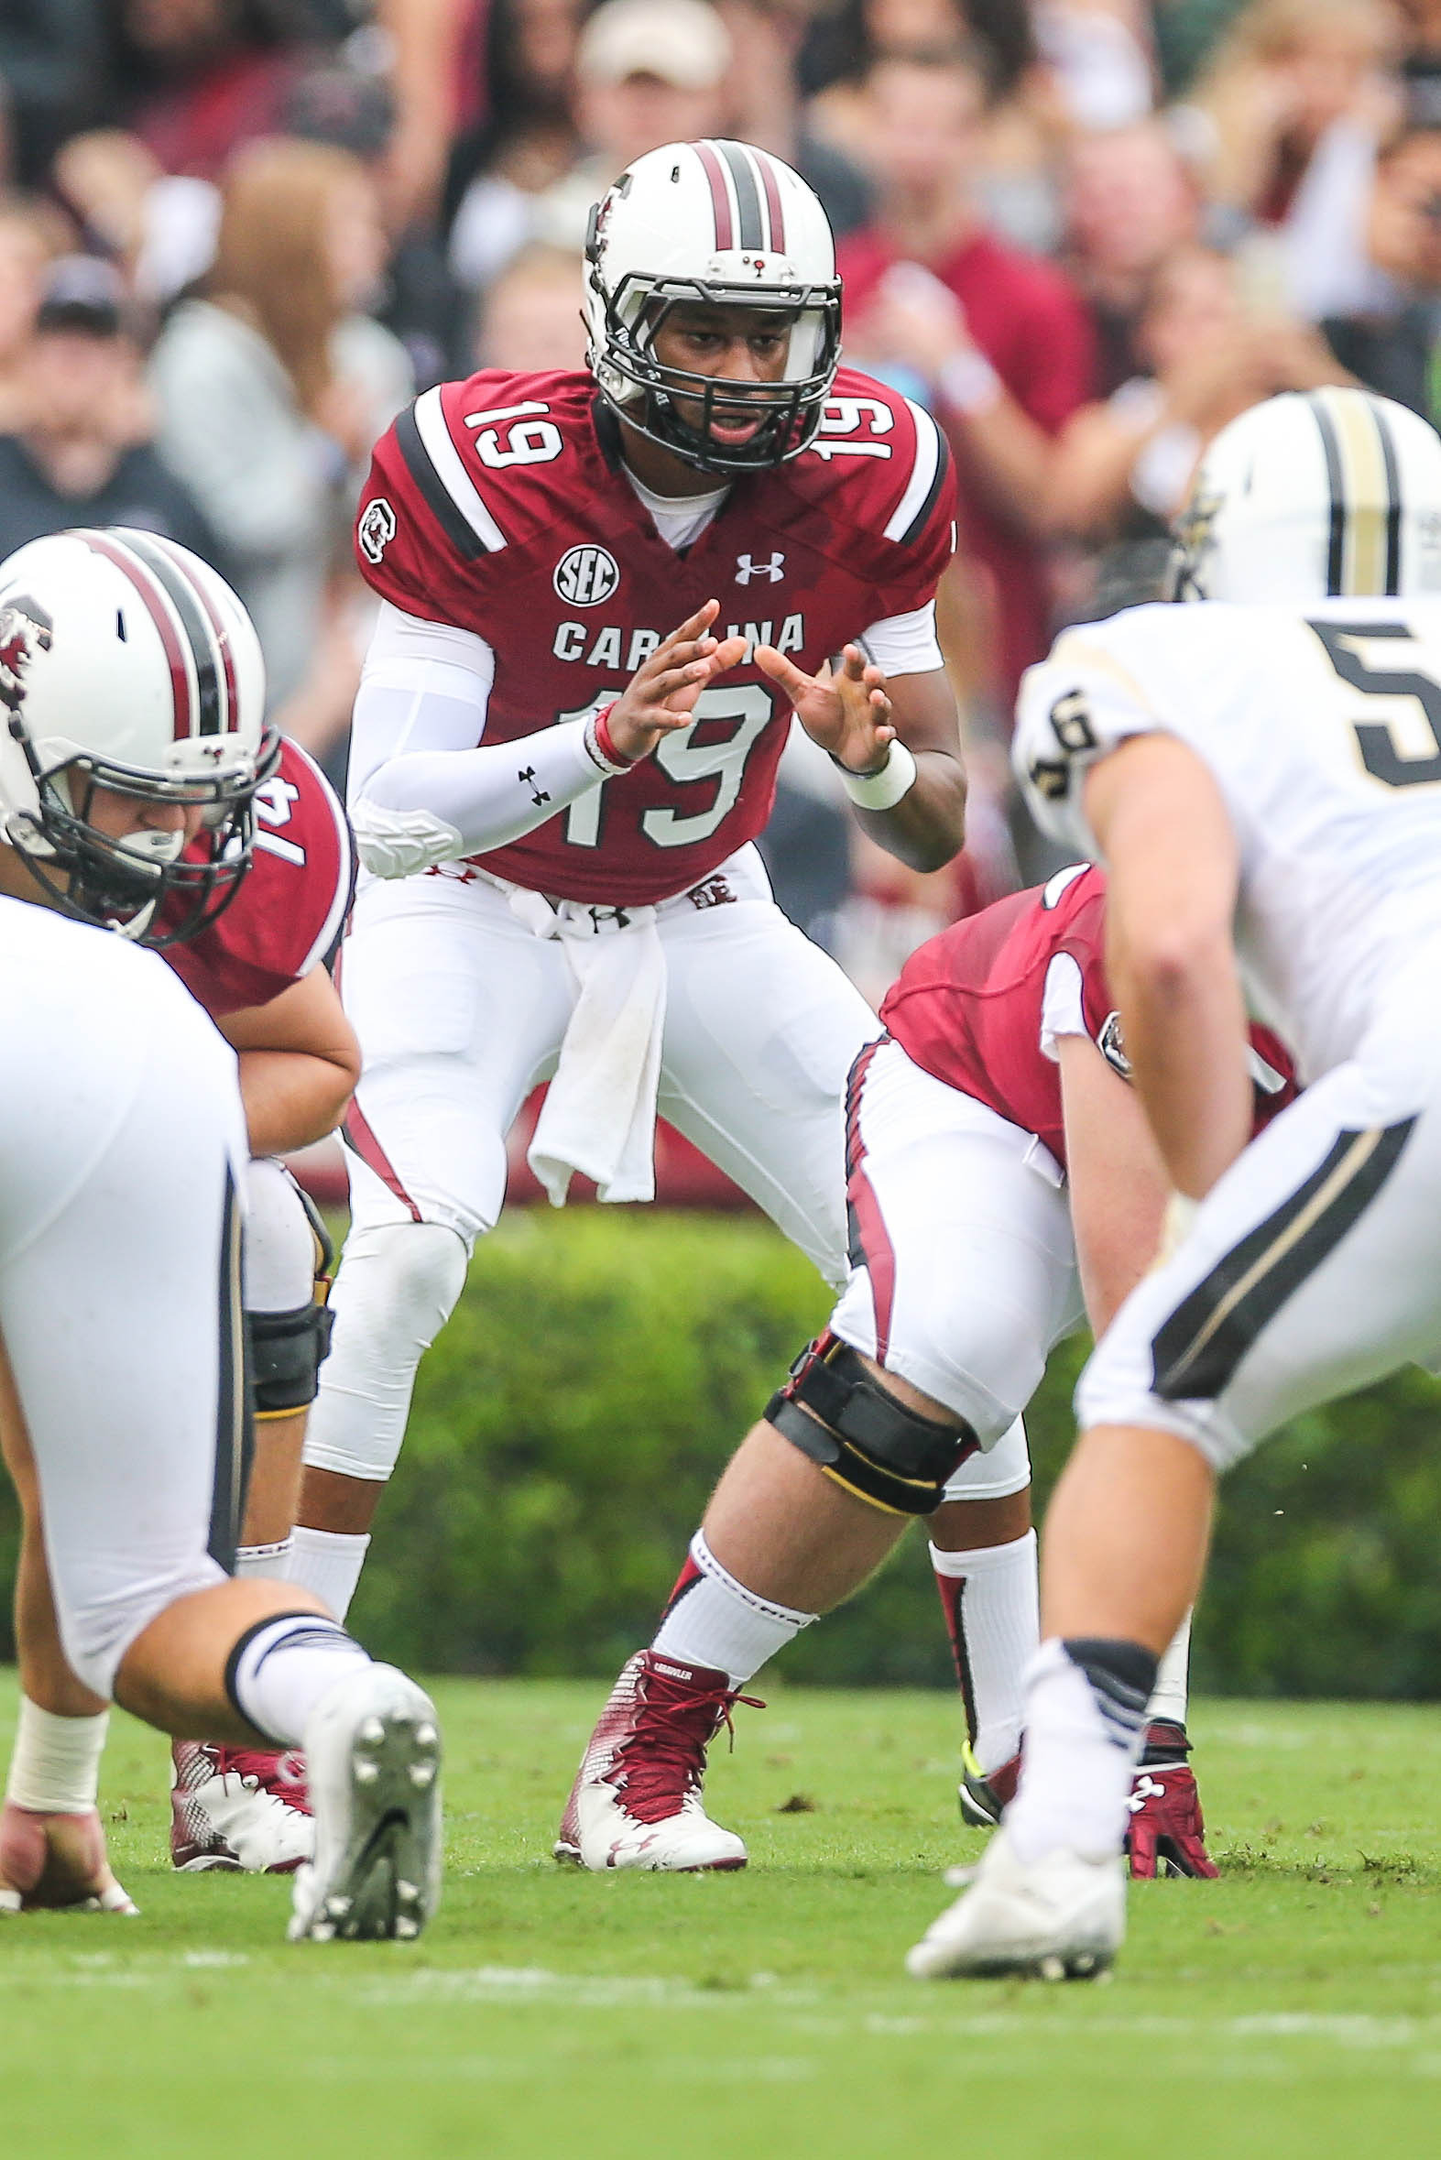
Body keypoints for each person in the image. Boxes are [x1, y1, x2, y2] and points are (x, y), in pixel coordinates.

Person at [283, 141, 968, 1777]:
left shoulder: (875, 464)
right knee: (405, 1255)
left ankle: (1021, 1747)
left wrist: (861, 764)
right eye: (703, 333)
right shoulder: (482, 459)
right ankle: (266, 1710)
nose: (744, 379)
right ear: (610, 315)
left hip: (700, 901)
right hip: (479, 905)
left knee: (949, 1270)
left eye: (775, 338)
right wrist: (599, 736)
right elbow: (389, 817)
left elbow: (935, 820)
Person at [907, 382, 1441, 1980]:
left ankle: (1066, 1842)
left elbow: (1171, 940)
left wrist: (1215, 1192)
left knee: (1152, 1383)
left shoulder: (1160, 660)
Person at [558, 851, 1296, 1875]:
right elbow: (1148, 1364)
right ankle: (645, 1740)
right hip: (981, 1094)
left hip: (1202, 1132)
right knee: (955, 1342)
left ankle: (1021, 1753)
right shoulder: (1178, 928)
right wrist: (1143, 1736)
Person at [0, 526, 440, 1939]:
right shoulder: (129, 967)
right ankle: (340, 1699)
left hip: (112, 1059)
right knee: (140, 1588)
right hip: (126, 1054)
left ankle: (76, 1793)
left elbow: (316, 1049)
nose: (178, 851)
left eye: (201, 805)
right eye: (130, 805)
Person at [0, 254, 226, 565]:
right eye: (56, 336)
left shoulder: (163, 494)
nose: (72, 356)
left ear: (123, 359)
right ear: (29, 356)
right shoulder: (5, 480)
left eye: (93, 338)